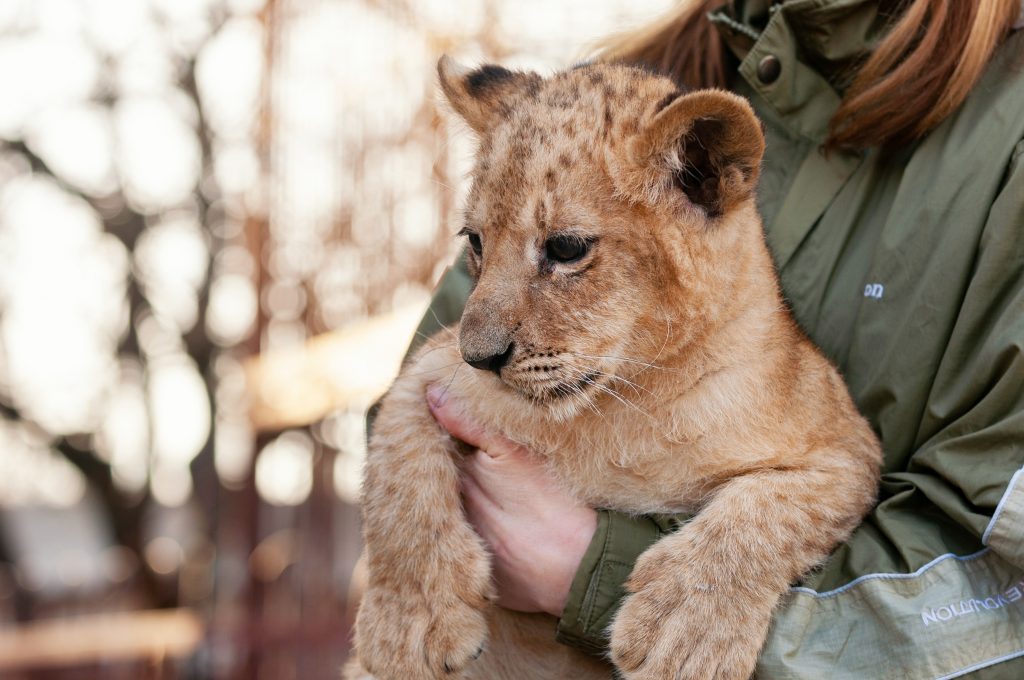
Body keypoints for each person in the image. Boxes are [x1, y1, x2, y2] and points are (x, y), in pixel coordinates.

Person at [398, 0, 1024, 677]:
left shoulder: (1005, 141)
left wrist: (593, 569)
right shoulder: (600, 100)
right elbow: (430, 392)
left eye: (570, 247)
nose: (480, 342)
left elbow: (1000, 597)